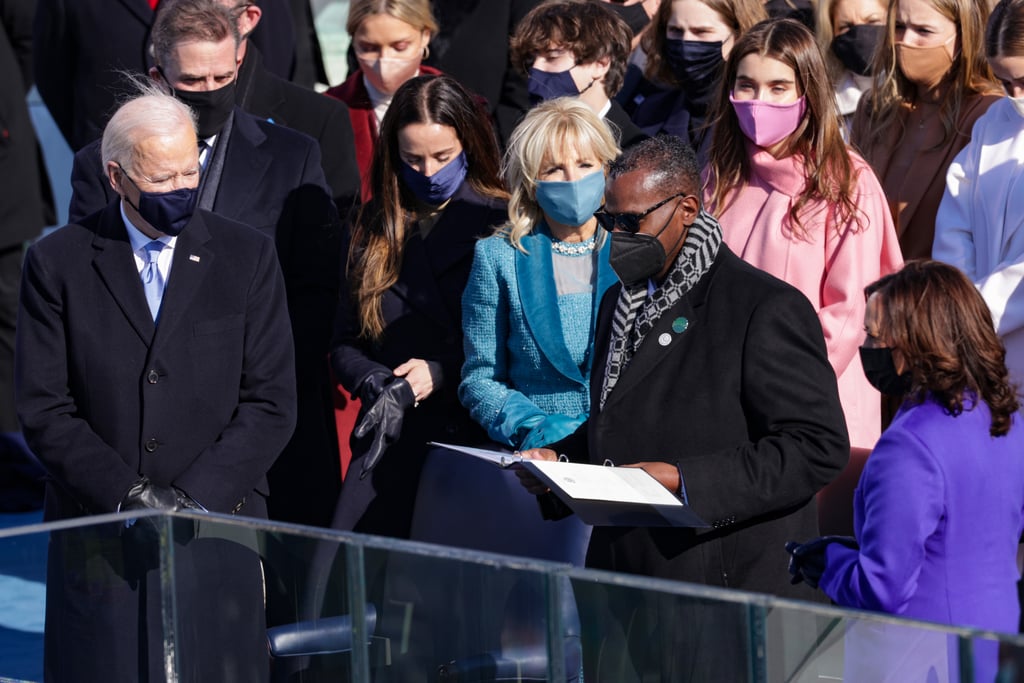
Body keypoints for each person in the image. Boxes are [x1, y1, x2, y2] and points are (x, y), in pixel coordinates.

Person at [516, 133, 848, 679]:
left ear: (686, 210)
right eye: (608, 220)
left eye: (631, 222)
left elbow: (817, 447)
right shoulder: (617, 304)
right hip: (627, 589)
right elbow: (619, 420)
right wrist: (559, 462)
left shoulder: (762, 307)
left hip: (722, 594)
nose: (615, 236)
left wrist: (682, 479)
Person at [15, 87, 296, 682]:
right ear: (116, 177)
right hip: (101, 534)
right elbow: (44, 407)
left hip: (218, 527)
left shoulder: (246, 256)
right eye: (163, 178)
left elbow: (270, 400)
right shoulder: (57, 264)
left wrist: (194, 500)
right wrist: (127, 496)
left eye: (191, 170)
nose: (182, 189)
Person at [66, 0, 341, 529]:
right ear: (158, 76)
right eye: (193, 79)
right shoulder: (96, 166)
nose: (211, 90)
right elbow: (95, 296)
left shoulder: (292, 157)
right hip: (144, 435)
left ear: (240, 63)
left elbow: (315, 289)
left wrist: (258, 386)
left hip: (258, 426)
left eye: (223, 75)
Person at [787, 260, 1024, 683]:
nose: (868, 346)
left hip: (920, 659)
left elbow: (882, 589)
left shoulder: (910, 446)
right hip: (994, 646)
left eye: (878, 336)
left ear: (920, 343)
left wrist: (829, 562)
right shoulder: (1005, 418)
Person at [705, 17, 902, 449]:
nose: (759, 102)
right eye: (747, 86)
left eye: (778, 87)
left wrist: (779, 389)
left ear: (806, 93)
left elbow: (851, 312)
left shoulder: (847, 182)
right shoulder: (717, 178)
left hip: (813, 403)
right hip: (725, 406)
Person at [330, 74, 508, 539]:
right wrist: (372, 380)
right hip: (390, 439)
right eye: (413, 158)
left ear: (468, 144)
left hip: (471, 440)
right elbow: (344, 341)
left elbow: (520, 340)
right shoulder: (372, 224)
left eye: (443, 157)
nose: (429, 172)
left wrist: (442, 371)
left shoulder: (503, 221)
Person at [460, 97, 620, 451]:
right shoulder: (497, 257)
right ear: (532, 182)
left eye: (584, 164)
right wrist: (535, 429)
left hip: (629, 453)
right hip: (542, 461)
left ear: (606, 170)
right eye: (553, 169)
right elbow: (480, 379)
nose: (572, 179)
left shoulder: (636, 248)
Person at [32, 0, 296, 152]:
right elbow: (53, 74)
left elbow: (273, 55)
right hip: (116, 163)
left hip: (225, 156)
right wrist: (97, 145)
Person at [850, 0, 1001, 260]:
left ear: (965, 37)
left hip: (937, 291)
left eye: (924, 31)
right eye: (898, 26)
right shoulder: (874, 108)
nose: (905, 40)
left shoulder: (988, 115)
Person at [933, 0, 1024, 387]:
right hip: (982, 350)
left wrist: (976, 313)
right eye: (1005, 82)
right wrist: (960, 300)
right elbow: (956, 224)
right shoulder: (994, 123)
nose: (1016, 94)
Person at [219, 0, 361, 212]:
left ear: (248, 19)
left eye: (211, 14)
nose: (195, 23)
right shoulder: (157, 107)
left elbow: (336, 225)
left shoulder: (319, 119)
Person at [325, 0, 440, 203]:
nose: (384, 59)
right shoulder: (327, 109)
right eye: (369, 48)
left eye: (400, 46)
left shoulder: (463, 106)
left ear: (425, 36)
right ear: (353, 40)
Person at [624, 0, 766, 161]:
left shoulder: (754, 120)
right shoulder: (650, 112)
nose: (685, 43)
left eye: (701, 32)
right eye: (676, 31)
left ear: (739, 36)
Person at [509, 0, 648, 147]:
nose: (536, 68)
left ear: (600, 64)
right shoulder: (521, 140)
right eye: (530, 60)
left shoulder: (636, 153)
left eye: (553, 57)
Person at [815, 0, 887, 136]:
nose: (860, 35)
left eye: (872, 21)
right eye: (845, 27)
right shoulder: (823, 109)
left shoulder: (917, 99)